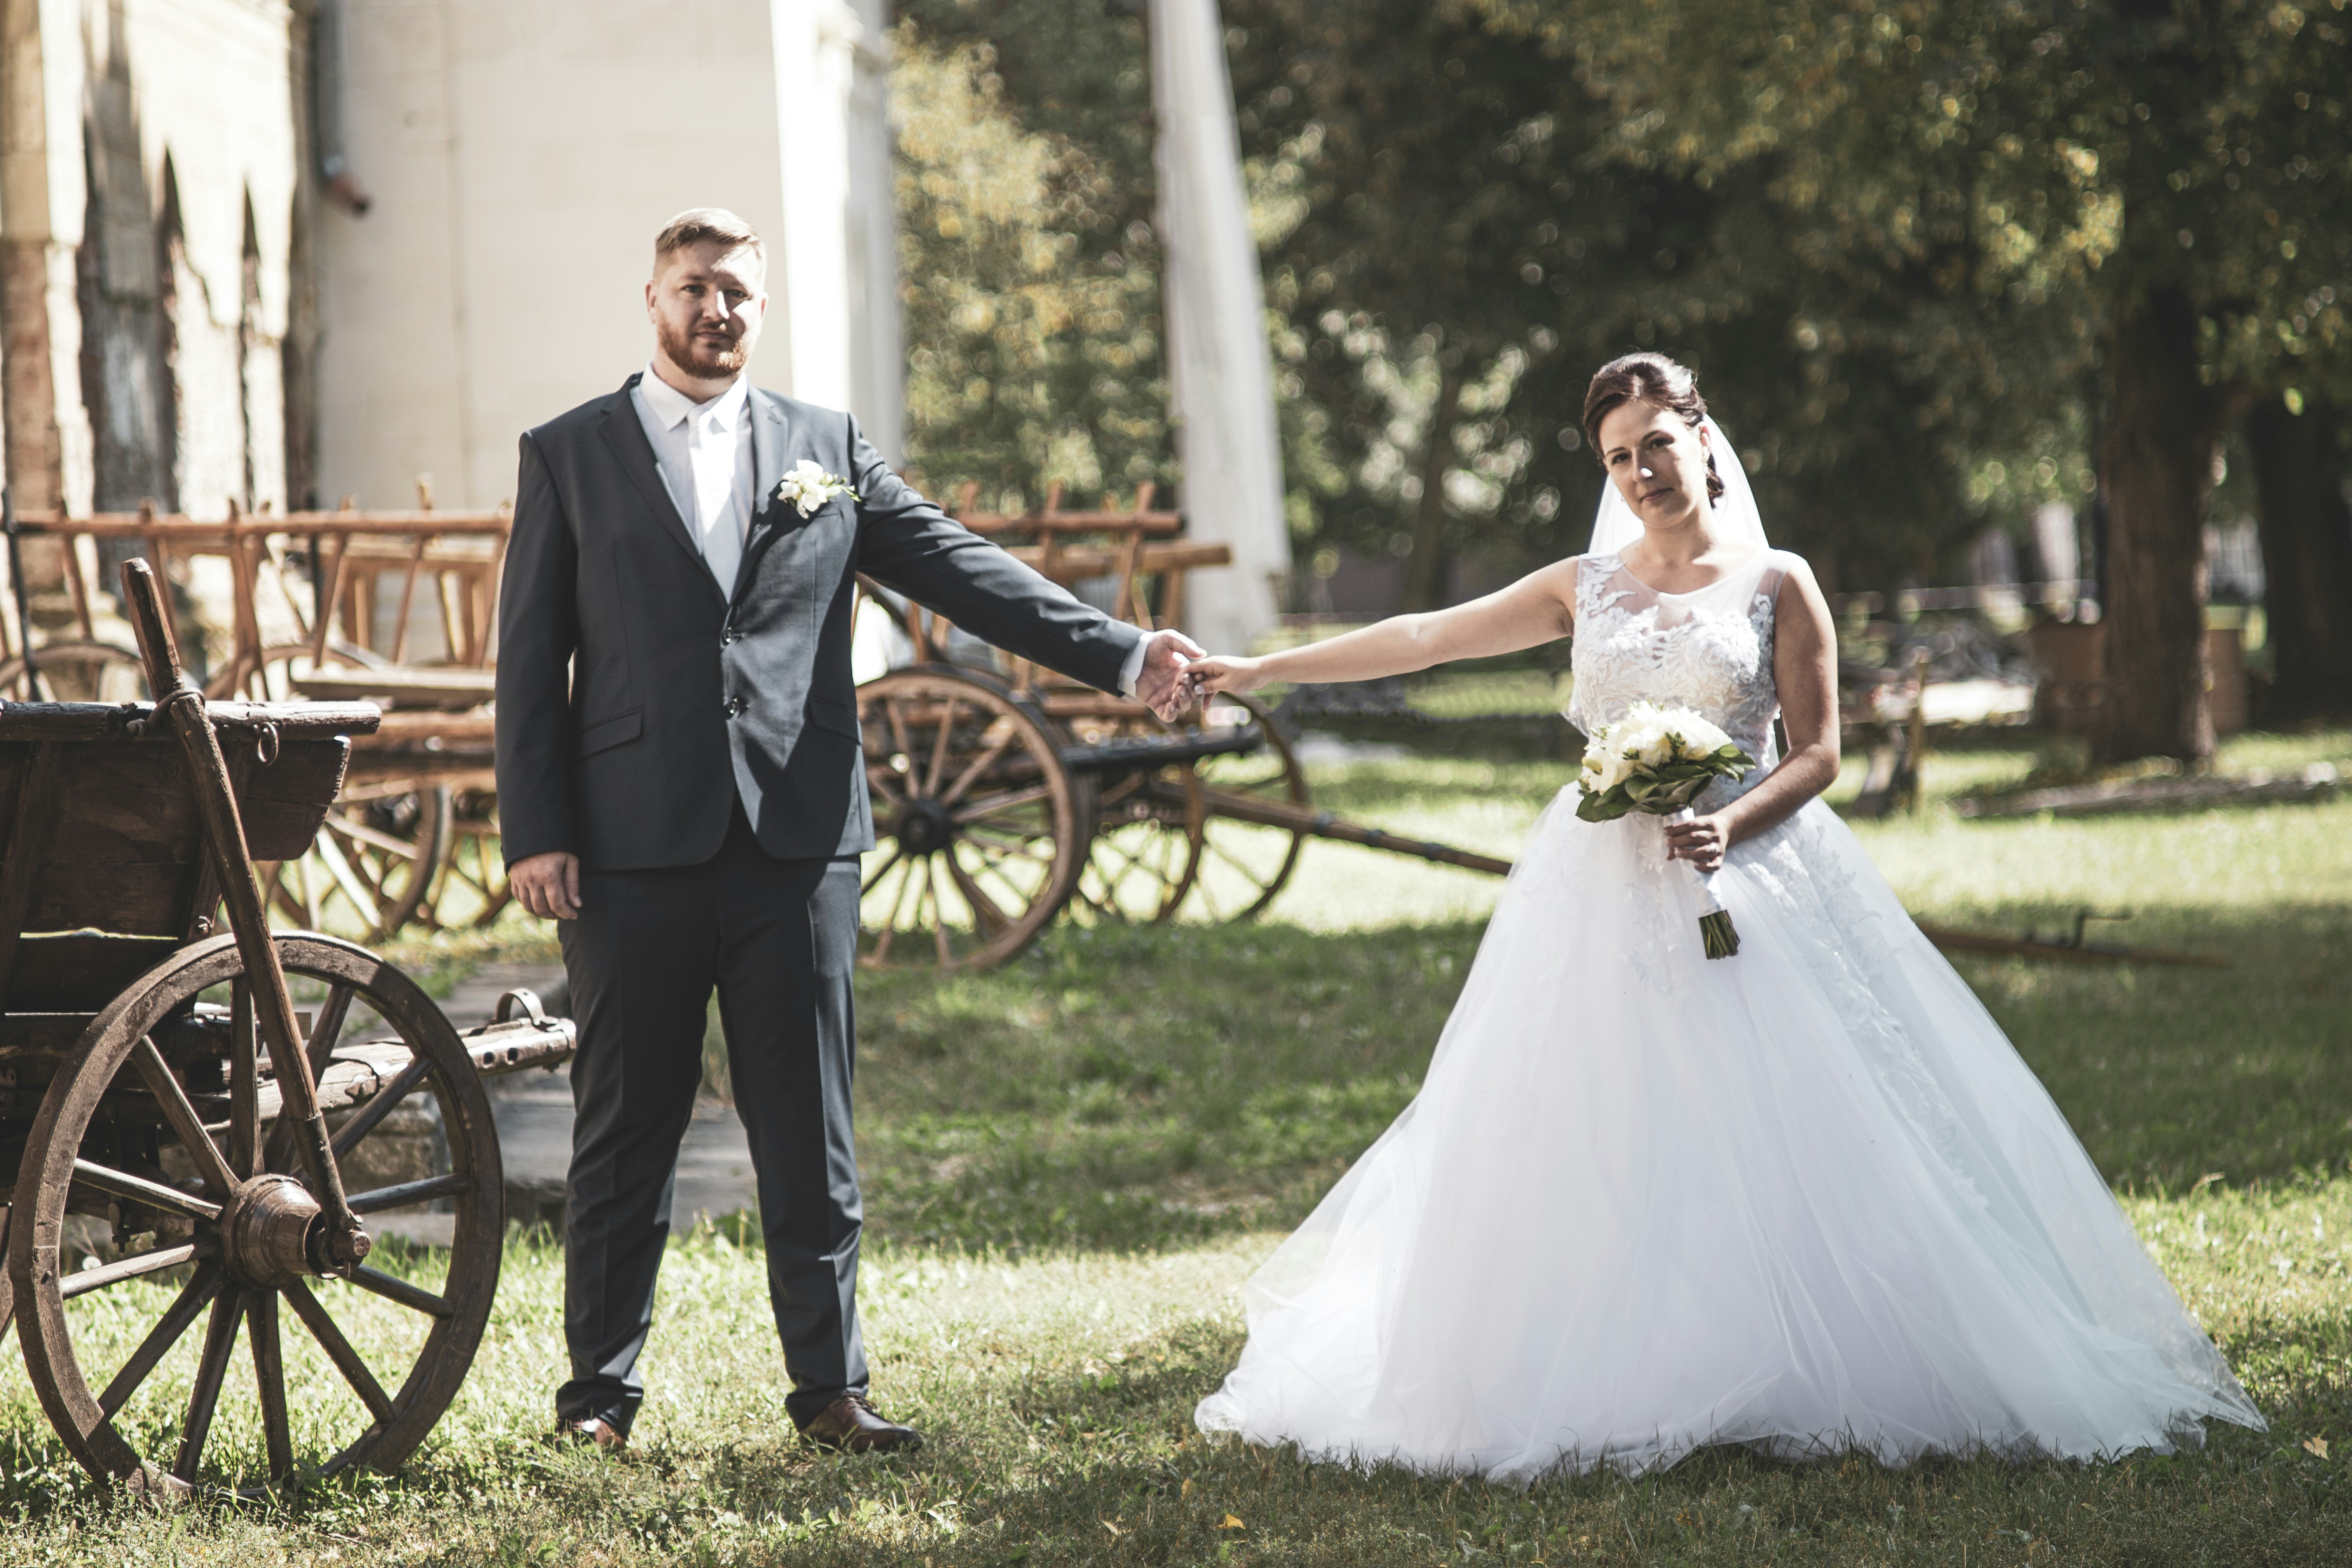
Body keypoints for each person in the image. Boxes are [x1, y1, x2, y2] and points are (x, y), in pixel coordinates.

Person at [1178, 352, 2264, 1479]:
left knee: (1785, 1118)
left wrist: (1731, 828)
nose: (1641, 469)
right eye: (1618, 456)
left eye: (1655, 441)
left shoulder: (1778, 582)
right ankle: (1621, 1364)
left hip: (1756, 879)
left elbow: (1822, 754)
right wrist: (1258, 671)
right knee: (1589, 1115)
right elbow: (1421, 637)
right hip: (1599, 890)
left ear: (1703, 438)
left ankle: (1809, 1355)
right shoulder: (1581, 586)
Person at [495, 208, 1200, 1455]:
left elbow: (961, 567)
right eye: (694, 289)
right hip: (628, 846)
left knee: (808, 1127)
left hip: (798, 841)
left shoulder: (824, 447)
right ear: (651, 299)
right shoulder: (568, 453)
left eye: (738, 296)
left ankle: (831, 1392)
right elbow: (527, 663)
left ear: (759, 311)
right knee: (623, 1131)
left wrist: (1127, 652)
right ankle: (597, 1402)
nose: (718, 312)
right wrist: (536, 831)